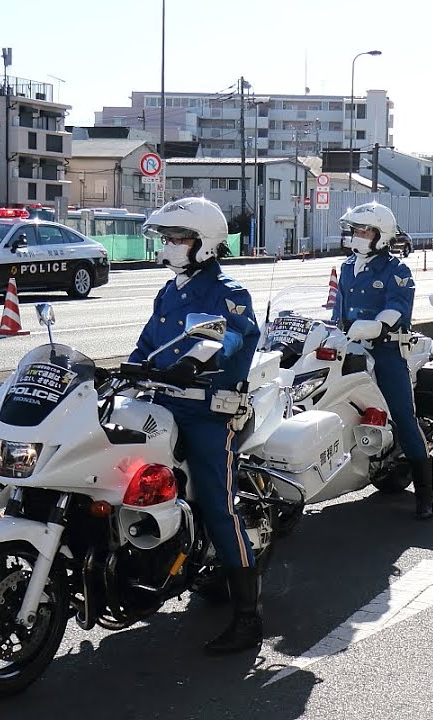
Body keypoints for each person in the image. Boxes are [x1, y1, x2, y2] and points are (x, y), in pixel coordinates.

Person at [132, 196, 265, 655]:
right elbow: (149, 341)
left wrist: (195, 361)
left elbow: (229, 339)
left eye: (177, 239)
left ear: (204, 244)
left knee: (217, 503)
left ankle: (248, 618)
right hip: (163, 404)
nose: (167, 246)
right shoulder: (169, 291)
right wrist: (125, 369)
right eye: (165, 238)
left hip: (208, 411)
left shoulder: (228, 291)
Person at [331, 201, 433, 520]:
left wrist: (378, 324)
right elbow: (339, 310)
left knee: (403, 416)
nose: (358, 236)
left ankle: (425, 495)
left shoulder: (396, 269)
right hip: (351, 349)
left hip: (385, 350)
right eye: (356, 230)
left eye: (365, 231)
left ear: (382, 235)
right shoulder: (348, 267)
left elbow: (398, 306)